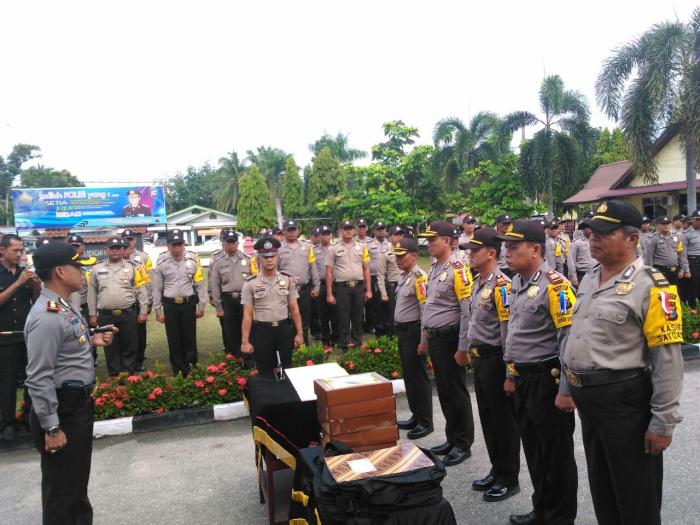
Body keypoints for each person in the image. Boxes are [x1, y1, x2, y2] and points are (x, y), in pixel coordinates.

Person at [563, 201, 684, 525]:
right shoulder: (590, 278)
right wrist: (567, 387)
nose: (594, 238)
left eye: (604, 233)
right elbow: (575, 336)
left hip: (625, 402)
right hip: (590, 401)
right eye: (592, 232)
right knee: (603, 488)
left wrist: (662, 422)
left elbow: (667, 360)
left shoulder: (653, 286)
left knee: (635, 494)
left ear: (631, 239)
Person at [24, 242, 113, 525]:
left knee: (74, 488)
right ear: (60, 272)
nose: (82, 272)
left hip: (74, 407)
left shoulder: (62, 305)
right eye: (77, 267)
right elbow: (39, 377)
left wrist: (92, 340)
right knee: (63, 494)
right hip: (62, 412)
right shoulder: (47, 316)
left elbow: (67, 345)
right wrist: (52, 428)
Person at [498, 219, 578, 525]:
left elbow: (568, 340)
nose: (507, 253)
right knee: (534, 450)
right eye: (505, 247)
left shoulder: (556, 286)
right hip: (523, 379)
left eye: (513, 247)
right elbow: (514, 335)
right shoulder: (516, 282)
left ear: (534, 250)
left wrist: (566, 390)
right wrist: (510, 374)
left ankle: (560, 518)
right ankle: (542, 509)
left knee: (556, 455)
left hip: (547, 379)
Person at [455, 228, 521, 503]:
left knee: (503, 422)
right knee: (489, 419)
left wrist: (510, 373)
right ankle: (497, 469)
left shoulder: (502, 285)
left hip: (496, 359)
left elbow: (508, 333)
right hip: (481, 359)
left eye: (475, 250)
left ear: (492, 253)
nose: (470, 254)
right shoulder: (478, 281)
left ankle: (509, 478)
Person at [418, 221, 475, 467]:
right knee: (444, 391)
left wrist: (463, 347)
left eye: (433, 239)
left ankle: (463, 443)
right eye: (428, 240)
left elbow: (466, 311)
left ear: (448, 241)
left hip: (451, 339)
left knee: (456, 391)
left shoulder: (458, 269)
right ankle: (452, 438)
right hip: (436, 338)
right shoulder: (435, 267)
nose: (428, 244)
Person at [241, 238, 304, 375]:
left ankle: (284, 388)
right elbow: (247, 314)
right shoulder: (250, 283)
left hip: (284, 329)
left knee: (286, 369)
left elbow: (294, 309)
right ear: (259, 259)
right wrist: (245, 341)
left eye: (272, 256)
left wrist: (300, 333)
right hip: (262, 331)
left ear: (278, 257)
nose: (269, 260)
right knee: (265, 371)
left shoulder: (287, 280)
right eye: (265, 257)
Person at [88, 237, 148, 376]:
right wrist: (92, 314)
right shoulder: (97, 269)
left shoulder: (133, 267)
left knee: (130, 346)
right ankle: (115, 378)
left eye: (118, 248)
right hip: (106, 315)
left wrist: (143, 311)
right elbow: (92, 292)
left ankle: (129, 376)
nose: (115, 250)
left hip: (128, 313)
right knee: (110, 347)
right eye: (112, 248)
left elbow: (141, 290)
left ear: (123, 250)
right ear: (106, 250)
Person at [391, 238, 433, 440]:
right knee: (409, 377)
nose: (398, 260)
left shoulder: (419, 278)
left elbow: (425, 310)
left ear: (414, 256)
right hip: (404, 332)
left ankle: (425, 421)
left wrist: (424, 340)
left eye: (402, 256)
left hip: (414, 332)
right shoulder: (405, 276)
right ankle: (416, 415)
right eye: (396, 256)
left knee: (418, 378)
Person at [0, 234, 40, 442]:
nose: (19, 254)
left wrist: (35, 285)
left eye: (21, 250)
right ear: (2, 250)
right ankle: (8, 423)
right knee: (6, 382)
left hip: (26, 335)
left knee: (31, 379)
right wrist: (17, 284)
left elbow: (35, 300)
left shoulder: (24, 273)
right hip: (5, 337)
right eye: (15, 250)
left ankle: (28, 417)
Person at [151, 229, 206, 376]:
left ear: (184, 245)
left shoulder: (193, 262)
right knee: (173, 339)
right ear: (168, 246)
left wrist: (201, 306)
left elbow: (200, 285)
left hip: (188, 304)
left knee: (190, 338)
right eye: (174, 245)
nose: (177, 248)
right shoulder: (161, 263)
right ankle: (178, 371)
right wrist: (158, 311)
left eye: (180, 244)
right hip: (170, 306)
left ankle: (191, 369)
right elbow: (157, 288)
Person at [209, 229, 255, 366]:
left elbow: (255, 281)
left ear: (237, 243)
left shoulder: (248, 260)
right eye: (228, 242)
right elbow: (215, 286)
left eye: (233, 242)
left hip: (245, 300)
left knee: (247, 329)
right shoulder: (218, 262)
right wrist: (218, 307)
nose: (231, 245)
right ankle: (234, 360)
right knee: (230, 331)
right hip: (228, 300)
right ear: (223, 243)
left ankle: (249, 360)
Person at [326, 220, 371, 352]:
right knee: (343, 316)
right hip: (342, 287)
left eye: (350, 228)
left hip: (358, 286)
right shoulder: (333, 248)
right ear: (341, 230)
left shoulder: (362, 246)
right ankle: (344, 344)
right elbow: (329, 271)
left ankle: (357, 342)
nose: (348, 231)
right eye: (345, 228)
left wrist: (368, 289)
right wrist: (329, 293)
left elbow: (366, 269)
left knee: (358, 316)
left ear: (354, 230)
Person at [278, 219, 320, 344]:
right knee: (288, 319)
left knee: (305, 319)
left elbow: (313, 267)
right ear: (284, 232)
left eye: (294, 229)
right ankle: (291, 346)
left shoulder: (307, 247)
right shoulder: (278, 248)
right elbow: (275, 270)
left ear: (297, 231)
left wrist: (316, 286)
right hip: (286, 290)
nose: (292, 232)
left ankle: (304, 345)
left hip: (304, 289)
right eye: (289, 230)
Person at [121, 229, 153, 371]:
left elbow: (149, 281)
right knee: (125, 334)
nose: (128, 242)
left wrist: (149, 301)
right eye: (125, 239)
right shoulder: (117, 258)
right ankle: (126, 362)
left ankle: (139, 361)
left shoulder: (143, 257)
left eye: (131, 239)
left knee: (140, 334)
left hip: (140, 301)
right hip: (125, 302)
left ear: (135, 240)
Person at [67, 234, 99, 364]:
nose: (74, 249)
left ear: (83, 247)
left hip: (86, 304)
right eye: (71, 246)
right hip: (69, 307)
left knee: (90, 332)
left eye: (77, 246)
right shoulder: (64, 263)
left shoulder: (92, 262)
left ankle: (92, 357)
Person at [644, 216, 690, 287]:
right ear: (658, 225)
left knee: (673, 291)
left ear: (671, 224)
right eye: (664, 224)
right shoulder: (653, 239)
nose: (666, 226)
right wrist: (651, 272)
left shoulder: (676, 237)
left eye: (668, 223)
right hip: (660, 270)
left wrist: (682, 269)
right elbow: (649, 257)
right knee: (662, 291)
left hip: (674, 270)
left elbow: (681, 255)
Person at [377, 225, 404, 337]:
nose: (398, 237)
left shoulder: (407, 251)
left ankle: (403, 334)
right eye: (395, 235)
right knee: (392, 313)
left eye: (400, 235)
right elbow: (380, 275)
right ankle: (393, 335)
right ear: (390, 237)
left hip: (406, 285)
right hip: (393, 286)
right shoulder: (386, 253)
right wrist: (383, 293)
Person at [313, 225, 337, 348]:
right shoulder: (314, 250)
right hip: (321, 285)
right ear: (320, 236)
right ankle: (326, 339)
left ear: (331, 235)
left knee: (336, 313)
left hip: (335, 284)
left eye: (328, 234)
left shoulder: (336, 248)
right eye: (323, 234)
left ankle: (336, 338)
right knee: (323, 314)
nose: (326, 236)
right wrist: (315, 287)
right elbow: (313, 269)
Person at [684, 210, 700, 305]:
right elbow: (683, 253)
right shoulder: (686, 233)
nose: (699, 221)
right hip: (693, 262)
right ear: (692, 220)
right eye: (697, 219)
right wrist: (686, 269)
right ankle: (693, 307)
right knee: (694, 286)